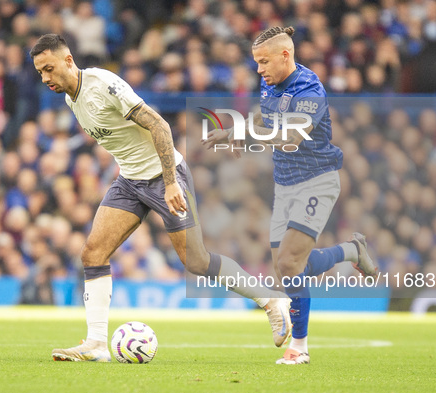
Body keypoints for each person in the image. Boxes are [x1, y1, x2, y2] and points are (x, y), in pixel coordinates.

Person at [29, 34, 290, 362]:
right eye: (40, 72)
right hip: (129, 180)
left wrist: (170, 184)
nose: (45, 78)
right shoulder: (72, 100)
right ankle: (96, 343)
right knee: (93, 253)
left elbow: (160, 126)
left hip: (164, 177)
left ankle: (271, 300)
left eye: (49, 69)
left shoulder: (104, 84)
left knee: (196, 261)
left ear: (68, 61)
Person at [205, 26, 378, 365]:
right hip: (284, 183)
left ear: (286, 55)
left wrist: (244, 131)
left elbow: (291, 137)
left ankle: (300, 347)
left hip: (317, 180)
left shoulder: (309, 89)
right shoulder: (269, 82)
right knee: (287, 270)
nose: (259, 70)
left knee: (289, 264)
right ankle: (350, 250)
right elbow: (265, 117)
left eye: (264, 61)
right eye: (256, 63)